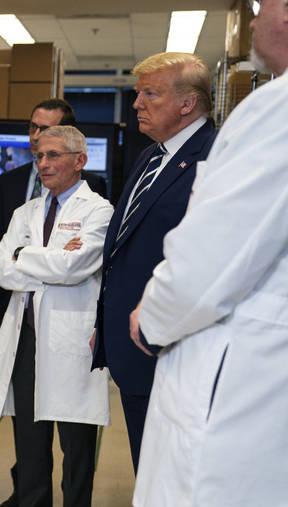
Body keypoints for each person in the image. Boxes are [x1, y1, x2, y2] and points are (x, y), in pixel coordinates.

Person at [129, 2, 288, 505]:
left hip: (240, 379)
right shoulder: (147, 157)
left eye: (260, 6)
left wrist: (149, 317)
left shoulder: (275, 112)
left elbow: (207, 263)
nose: (252, 21)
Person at [89, 52, 217, 473]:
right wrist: (103, 324)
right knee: (147, 468)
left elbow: (208, 260)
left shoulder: (214, 160)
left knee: (175, 475)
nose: (136, 104)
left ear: (187, 103)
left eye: (150, 94)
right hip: (133, 346)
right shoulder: (151, 156)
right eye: (137, 93)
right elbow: (126, 246)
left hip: (174, 350)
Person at [0, 126, 112, 507]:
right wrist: (42, 259)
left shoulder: (99, 211)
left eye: (53, 155)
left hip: (73, 343)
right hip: (27, 339)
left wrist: (25, 255)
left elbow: (75, 267)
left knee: (77, 449)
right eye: (39, 156)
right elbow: (3, 271)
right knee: (31, 449)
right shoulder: (26, 211)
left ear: (80, 161)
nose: (43, 164)